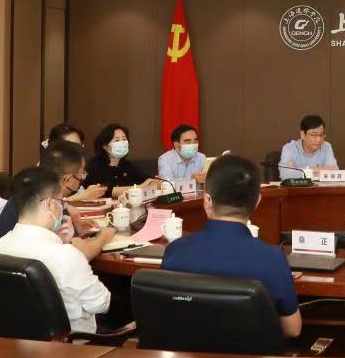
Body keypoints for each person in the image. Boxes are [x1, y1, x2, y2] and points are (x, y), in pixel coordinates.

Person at [162, 155, 302, 338]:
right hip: (250, 355)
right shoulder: (272, 258)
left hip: (185, 354)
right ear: (257, 201)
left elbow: (166, 315)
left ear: (207, 200)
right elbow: (292, 329)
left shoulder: (175, 251)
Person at [0, 167, 112, 335]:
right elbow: (100, 304)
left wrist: (61, 241)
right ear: (49, 204)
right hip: (73, 344)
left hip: (20, 340)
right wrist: (69, 247)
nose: (63, 208)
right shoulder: (67, 255)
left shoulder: (0, 245)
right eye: (62, 202)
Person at [0, 141, 104, 251]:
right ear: (68, 179)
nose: (81, 179)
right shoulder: (52, 208)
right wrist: (105, 236)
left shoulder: (28, 192)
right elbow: (79, 252)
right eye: (81, 175)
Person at [84, 122, 148, 196]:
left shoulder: (126, 164)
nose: (122, 143)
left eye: (124, 139)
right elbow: (105, 190)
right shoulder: (96, 165)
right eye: (117, 140)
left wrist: (151, 182)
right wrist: (139, 187)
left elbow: (144, 179)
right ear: (105, 146)